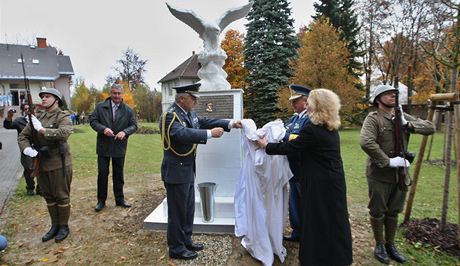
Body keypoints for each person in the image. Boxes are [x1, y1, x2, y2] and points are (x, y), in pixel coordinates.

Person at [256, 88, 353, 266]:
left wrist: (265, 145)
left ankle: (317, 258)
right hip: (332, 181)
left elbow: (290, 147)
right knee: (333, 218)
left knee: (317, 218)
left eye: (309, 102)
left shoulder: (312, 130)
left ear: (317, 105)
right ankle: (337, 256)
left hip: (320, 183)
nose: (306, 104)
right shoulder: (329, 127)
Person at [160, 83, 241, 260]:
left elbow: (204, 121)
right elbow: (181, 134)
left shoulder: (188, 113)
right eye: (193, 98)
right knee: (177, 211)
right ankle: (176, 248)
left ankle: (186, 241)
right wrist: (209, 134)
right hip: (176, 172)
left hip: (187, 170)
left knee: (187, 208)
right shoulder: (170, 116)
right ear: (182, 98)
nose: (196, 101)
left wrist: (230, 123)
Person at [360, 84, 435, 264]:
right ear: (378, 99)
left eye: (394, 93)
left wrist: (408, 124)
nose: (393, 96)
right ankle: (379, 244)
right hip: (379, 174)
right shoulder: (373, 118)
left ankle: (390, 245)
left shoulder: (401, 117)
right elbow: (366, 141)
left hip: (400, 174)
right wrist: (388, 161)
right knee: (378, 211)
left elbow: (430, 128)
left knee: (393, 211)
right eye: (388, 94)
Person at [18, 88, 73, 243]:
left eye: (47, 97)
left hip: (59, 162)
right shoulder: (38, 117)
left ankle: (63, 226)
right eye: (42, 97)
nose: (43, 99)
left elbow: (64, 133)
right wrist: (27, 149)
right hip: (41, 163)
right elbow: (23, 136)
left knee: (61, 196)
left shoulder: (63, 116)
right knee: (48, 195)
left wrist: (42, 130)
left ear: (56, 100)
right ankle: (54, 225)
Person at [89, 83, 138, 212]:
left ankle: (120, 199)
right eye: (114, 93)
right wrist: (103, 129)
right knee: (103, 174)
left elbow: (134, 126)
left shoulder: (128, 110)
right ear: (110, 93)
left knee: (118, 174)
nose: (117, 96)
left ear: (122, 95)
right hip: (103, 146)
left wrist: (125, 132)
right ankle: (101, 200)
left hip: (119, 146)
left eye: (119, 93)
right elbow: (93, 121)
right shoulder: (100, 107)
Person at [282, 84, 311, 242]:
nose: (292, 104)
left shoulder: (310, 119)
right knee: (294, 203)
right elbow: (286, 133)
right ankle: (297, 231)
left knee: (305, 202)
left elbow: (297, 139)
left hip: (304, 168)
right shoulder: (294, 118)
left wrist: (285, 137)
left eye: (296, 101)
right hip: (292, 168)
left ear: (306, 101)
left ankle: (308, 233)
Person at [3, 105, 40, 195]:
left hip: (39, 147)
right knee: (28, 169)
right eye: (25, 109)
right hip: (26, 148)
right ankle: (30, 188)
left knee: (40, 168)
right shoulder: (19, 120)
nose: (27, 110)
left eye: (29, 109)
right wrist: (9, 116)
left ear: (34, 109)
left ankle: (40, 188)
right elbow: (8, 126)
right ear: (23, 111)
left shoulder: (39, 119)